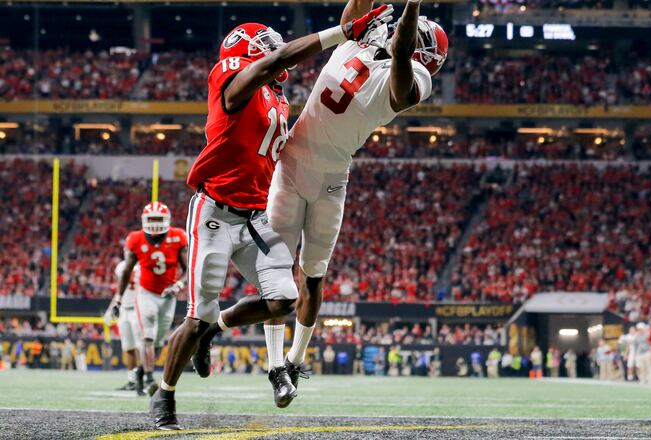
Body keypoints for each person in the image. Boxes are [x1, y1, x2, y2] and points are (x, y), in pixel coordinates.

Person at [151, 9, 394, 430]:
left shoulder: (277, 98)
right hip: (214, 212)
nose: (274, 48)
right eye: (264, 44)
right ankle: (165, 394)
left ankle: (213, 329)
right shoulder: (230, 75)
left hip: (255, 217)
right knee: (196, 314)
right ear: (245, 51)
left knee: (283, 299)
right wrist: (343, 32)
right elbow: (275, 61)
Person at [256, 0, 448, 405]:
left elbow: (401, 54)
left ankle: (295, 360)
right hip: (290, 165)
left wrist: (413, 4)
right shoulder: (364, 36)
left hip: (331, 178)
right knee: (275, 270)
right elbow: (354, 16)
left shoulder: (414, 76)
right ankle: (275, 367)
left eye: (410, 30)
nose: (398, 28)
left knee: (313, 276)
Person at [112, 202, 187, 397]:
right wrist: (118, 299)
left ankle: (140, 372)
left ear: (167, 220)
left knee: (159, 342)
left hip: (168, 296)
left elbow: (188, 269)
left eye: (158, 219)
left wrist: (179, 285)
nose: (155, 223)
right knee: (147, 338)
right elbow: (127, 271)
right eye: (151, 219)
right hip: (146, 294)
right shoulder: (135, 239)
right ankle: (148, 378)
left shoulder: (177, 236)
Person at [104, 255, 142, 393]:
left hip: (139, 309)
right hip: (124, 309)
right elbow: (119, 291)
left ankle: (143, 379)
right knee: (128, 347)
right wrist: (110, 309)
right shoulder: (121, 266)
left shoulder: (143, 265)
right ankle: (132, 380)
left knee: (141, 347)